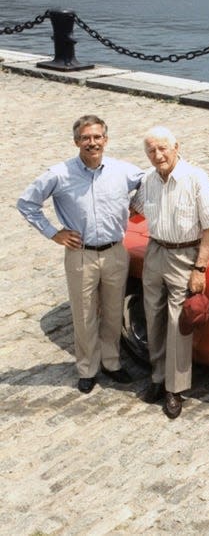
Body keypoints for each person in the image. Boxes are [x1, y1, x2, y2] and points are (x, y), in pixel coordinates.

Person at [17, 115, 144, 393]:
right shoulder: (59, 174)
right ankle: (87, 368)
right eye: (86, 138)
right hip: (80, 254)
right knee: (84, 314)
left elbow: (149, 182)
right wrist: (54, 233)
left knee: (113, 313)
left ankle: (112, 363)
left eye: (97, 137)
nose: (92, 142)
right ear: (76, 141)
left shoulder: (123, 171)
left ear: (106, 140)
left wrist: (136, 204)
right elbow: (26, 203)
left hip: (115, 252)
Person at [131, 126, 209, 419]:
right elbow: (136, 206)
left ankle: (176, 388)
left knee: (178, 323)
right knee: (153, 317)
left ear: (176, 147)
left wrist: (200, 268)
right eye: (151, 151)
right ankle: (158, 378)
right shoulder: (148, 179)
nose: (158, 155)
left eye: (163, 148)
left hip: (185, 255)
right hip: (155, 251)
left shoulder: (196, 178)